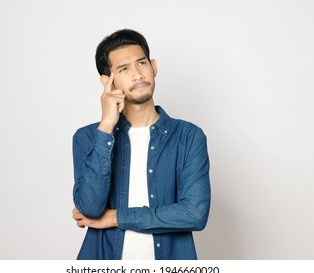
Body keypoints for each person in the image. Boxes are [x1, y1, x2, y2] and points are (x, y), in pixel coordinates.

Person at [72, 29, 211, 260]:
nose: (137, 74)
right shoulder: (88, 137)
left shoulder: (189, 137)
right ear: (108, 81)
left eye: (141, 63)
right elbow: (90, 208)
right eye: (124, 69)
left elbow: (194, 213)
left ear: (153, 67)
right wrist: (106, 127)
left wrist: (115, 217)